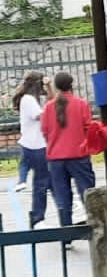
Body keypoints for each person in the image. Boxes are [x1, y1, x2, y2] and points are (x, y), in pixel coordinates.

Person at [40, 71, 95, 233]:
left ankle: (67, 233)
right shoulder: (81, 104)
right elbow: (88, 128)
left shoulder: (49, 107)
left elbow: (44, 131)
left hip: (56, 158)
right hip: (78, 155)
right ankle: (94, 225)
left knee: (62, 196)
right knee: (87, 192)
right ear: (72, 84)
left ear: (56, 86)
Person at [13, 72, 49, 226]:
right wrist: (52, 108)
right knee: (42, 183)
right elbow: (40, 116)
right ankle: (38, 218)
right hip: (36, 145)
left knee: (49, 182)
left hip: (34, 143)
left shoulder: (31, 99)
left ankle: (43, 215)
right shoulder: (28, 100)